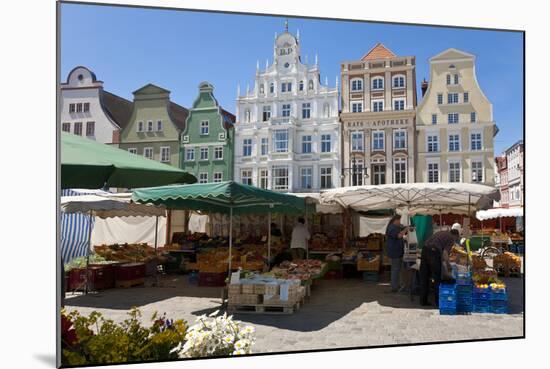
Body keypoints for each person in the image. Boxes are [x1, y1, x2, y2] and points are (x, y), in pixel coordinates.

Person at [419, 223, 462, 306]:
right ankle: (438, 301)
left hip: (425, 250)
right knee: (436, 277)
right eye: (457, 238)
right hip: (433, 251)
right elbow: (445, 253)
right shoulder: (451, 239)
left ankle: (423, 301)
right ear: (455, 236)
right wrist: (448, 265)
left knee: (425, 277)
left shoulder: (442, 232)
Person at [385, 215, 409, 293]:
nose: (400, 222)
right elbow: (399, 236)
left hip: (397, 251)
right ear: (395, 220)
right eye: (399, 221)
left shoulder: (395, 227)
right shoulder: (392, 228)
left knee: (397, 269)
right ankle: (394, 287)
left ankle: (397, 286)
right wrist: (406, 229)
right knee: (395, 270)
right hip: (394, 252)